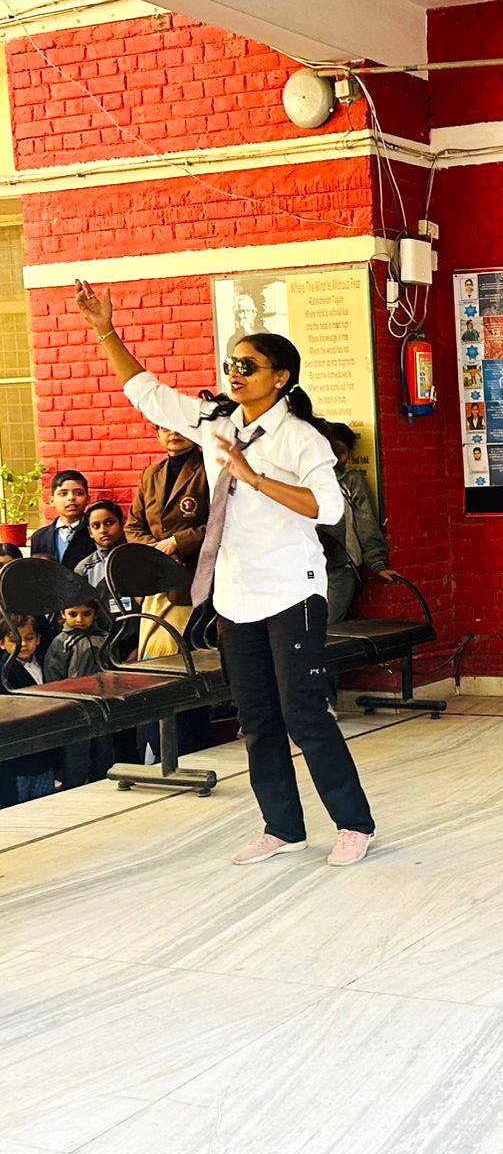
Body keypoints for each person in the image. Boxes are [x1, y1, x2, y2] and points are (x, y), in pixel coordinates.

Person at [75, 278, 378, 869]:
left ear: (281, 378)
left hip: (291, 592)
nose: (235, 373)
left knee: (304, 714)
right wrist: (105, 330)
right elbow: (148, 394)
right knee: (257, 718)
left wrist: (254, 477)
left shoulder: (301, 438)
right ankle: (282, 828)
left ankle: (353, 823)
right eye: (231, 364)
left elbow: (328, 508)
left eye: (248, 366)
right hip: (235, 595)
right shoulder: (215, 421)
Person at [125, 423, 209, 659]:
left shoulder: (208, 469)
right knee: (152, 654)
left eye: (179, 425)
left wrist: (177, 542)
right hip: (156, 579)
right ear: (157, 434)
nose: (174, 432)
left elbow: (220, 522)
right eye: (165, 427)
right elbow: (133, 525)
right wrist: (157, 552)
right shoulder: (151, 474)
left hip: (193, 580)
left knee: (182, 655)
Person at [319, 421, 401, 623]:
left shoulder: (350, 481)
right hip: (308, 567)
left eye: (339, 452)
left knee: (328, 625)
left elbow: (366, 522)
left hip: (342, 566)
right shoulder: (302, 480)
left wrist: (377, 563)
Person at [0, 614, 54, 805]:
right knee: (17, 802)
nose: (23, 644)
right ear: (2, 643)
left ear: (38, 639)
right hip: (17, 753)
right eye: (14, 640)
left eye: (29, 638)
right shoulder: (3, 672)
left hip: (43, 748)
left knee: (44, 800)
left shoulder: (45, 661)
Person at [28, 470, 93, 569]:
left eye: (79, 493)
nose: (71, 498)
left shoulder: (97, 533)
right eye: (63, 493)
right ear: (52, 501)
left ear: (88, 499)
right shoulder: (39, 537)